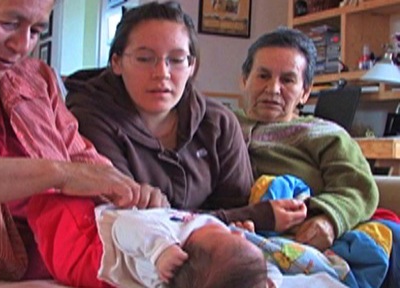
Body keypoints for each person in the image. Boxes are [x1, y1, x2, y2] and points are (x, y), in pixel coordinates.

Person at [0, 0, 168, 287]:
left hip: (58, 272)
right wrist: (57, 174)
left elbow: (84, 162)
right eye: (8, 23)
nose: (22, 45)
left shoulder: (36, 79)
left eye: (35, 30)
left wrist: (133, 196)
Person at [65, 1, 291, 233]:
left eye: (176, 60)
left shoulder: (219, 123)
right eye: (144, 58)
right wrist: (256, 216)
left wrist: (244, 218)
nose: (162, 73)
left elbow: (239, 209)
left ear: (191, 65)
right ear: (117, 62)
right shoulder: (87, 119)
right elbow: (129, 222)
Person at [237, 27, 379, 251]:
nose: (273, 89)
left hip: (298, 240)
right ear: (244, 80)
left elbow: (358, 187)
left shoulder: (327, 135)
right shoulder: (219, 123)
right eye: (263, 76)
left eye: (287, 80)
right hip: (230, 229)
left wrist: (329, 221)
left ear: (305, 92)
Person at [27, 194, 269, 288]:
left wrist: (159, 249)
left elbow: (125, 228)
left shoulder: (164, 265)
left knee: (52, 209)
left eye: (231, 237)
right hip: (112, 225)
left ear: (187, 256)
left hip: (93, 250)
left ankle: (31, 203)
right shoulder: (204, 236)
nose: (236, 234)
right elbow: (249, 270)